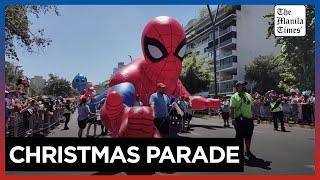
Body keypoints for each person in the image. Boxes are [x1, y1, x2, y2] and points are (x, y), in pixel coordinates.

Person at [230, 81, 256, 160]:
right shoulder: (234, 96)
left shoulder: (248, 95)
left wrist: (254, 115)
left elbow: (251, 106)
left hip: (249, 119)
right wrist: (233, 119)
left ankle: (247, 151)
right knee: (239, 137)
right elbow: (232, 109)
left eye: (244, 85)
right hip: (239, 119)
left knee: (249, 136)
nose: (244, 87)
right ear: (237, 87)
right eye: (242, 85)